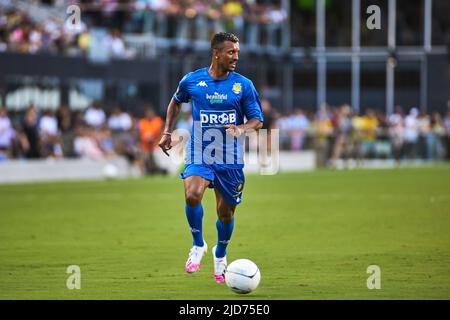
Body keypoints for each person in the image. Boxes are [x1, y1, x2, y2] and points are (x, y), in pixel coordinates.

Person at [158, 32, 264, 284]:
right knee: (192, 194)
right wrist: (167, 131)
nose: (235, 57)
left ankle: (220, 254)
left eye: (237, 52)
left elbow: (257, 120)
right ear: (216, 53)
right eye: (231, 52)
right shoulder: (192, 80)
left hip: (230, 158)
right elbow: (175, 103)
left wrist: (241, 129)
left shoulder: (243, 85)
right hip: (200, 152)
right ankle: (198, 244)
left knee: (225, 213)